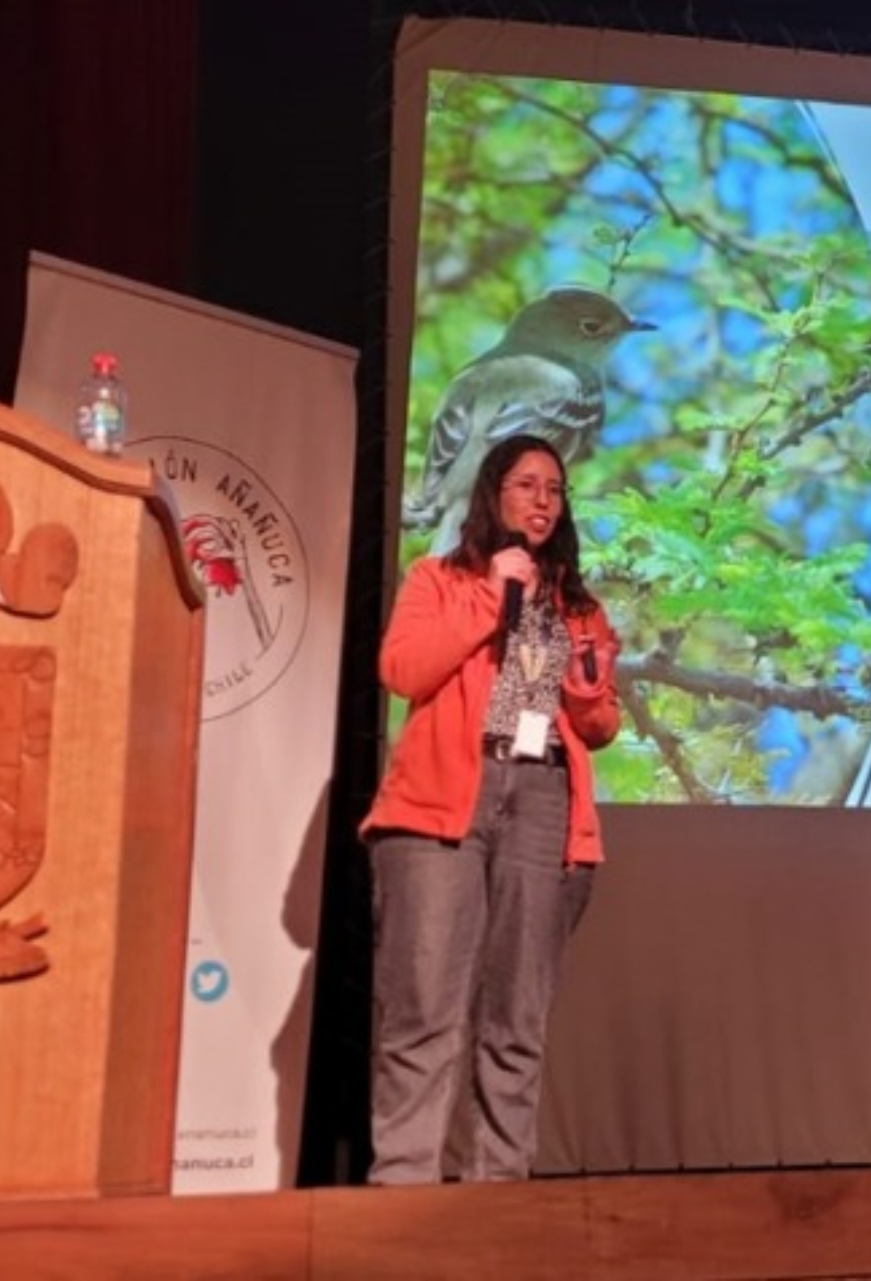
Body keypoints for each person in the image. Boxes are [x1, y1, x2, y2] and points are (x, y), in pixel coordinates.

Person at [360, 432, 621, 1184]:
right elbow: (402, 668)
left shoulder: (578, 605)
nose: (542, 501)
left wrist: (588, 677)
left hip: (542, 800)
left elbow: (598, 725)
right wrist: (488, 594)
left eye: (554, 489)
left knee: (517, 1024)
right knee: (423, 1016)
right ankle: (401, 1202)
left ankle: (496, 1206)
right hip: (446, 800)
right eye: (526, 485)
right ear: (493, 494)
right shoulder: (440, 578)